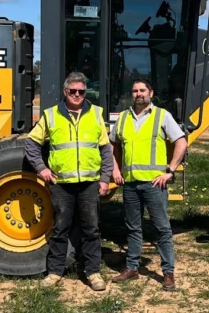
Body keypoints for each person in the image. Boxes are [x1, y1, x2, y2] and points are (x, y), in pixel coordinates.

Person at [24, 72, 112, 291]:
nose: (77, 95)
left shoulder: (96, 115)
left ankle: (93, 273)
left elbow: (105, 150)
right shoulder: (51, 115)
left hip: (90, 183)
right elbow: (31, 144)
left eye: (81, 92)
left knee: (91, 230)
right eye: (72, 91)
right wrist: (42, 169)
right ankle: (54, 273)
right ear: (65, 92)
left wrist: (105, 179)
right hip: (61, 185)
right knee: (60, 229)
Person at [110, 79, 188, 291]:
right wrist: (115, 170)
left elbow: (181, 141)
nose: (138, 94)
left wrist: (170, 171)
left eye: (142, 90)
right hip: (131, 184)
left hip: (155, 184)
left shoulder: (162, 116)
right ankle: (132, 267)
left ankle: (168, 273)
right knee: (133, 228)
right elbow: (112, 144)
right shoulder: (124, 117)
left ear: (150, 93)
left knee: (162, 229)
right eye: (135, 90)